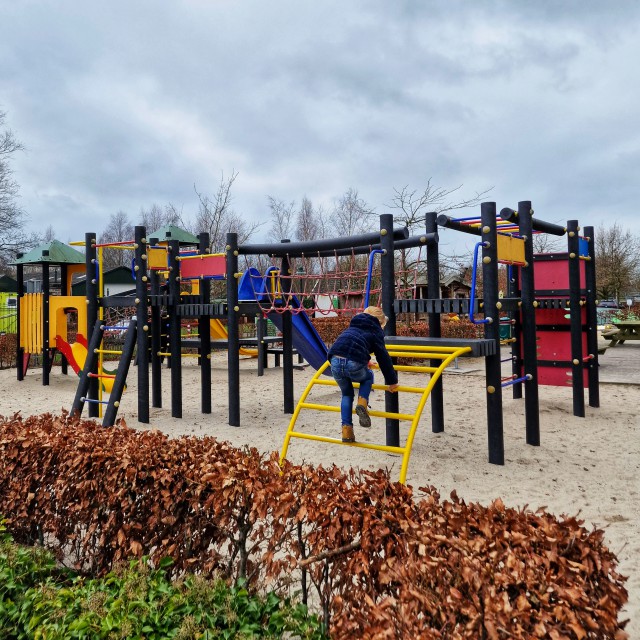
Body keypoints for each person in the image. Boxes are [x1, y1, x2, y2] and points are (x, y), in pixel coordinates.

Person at [327, 306, 399, 443]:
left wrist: (364, 360)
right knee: (368, 377)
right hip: (353, 361)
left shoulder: (353, 325)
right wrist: (392, 381)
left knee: (347, 394)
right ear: (380, 323)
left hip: (334, 360)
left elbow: (350, 345)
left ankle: (346, 431)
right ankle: (362, 403)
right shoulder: (375, 331)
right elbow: (383, 357)